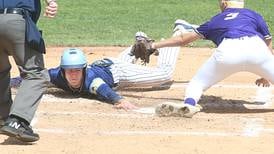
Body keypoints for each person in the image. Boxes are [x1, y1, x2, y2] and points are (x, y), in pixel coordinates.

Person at [10, 26, 196, 111]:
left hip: (118, 73)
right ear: (63, 70)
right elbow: (33, 77)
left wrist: (119, 100)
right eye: (69, 70)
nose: (73, 74)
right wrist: (9, 82)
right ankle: (136, 47)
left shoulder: (91, 79)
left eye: (77, 70)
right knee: (118, 63)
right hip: (106, 64)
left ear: (83, 69)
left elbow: (104, 90)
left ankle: (179, 31)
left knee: (164, 76)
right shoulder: (56, 74)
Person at [153, 0, 273, 118]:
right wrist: (266, 74)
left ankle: (189, 104)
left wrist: (153, 45)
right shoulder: (253, 15)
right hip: (257, 50)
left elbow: (183, 39)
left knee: (197, 84)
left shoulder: (216, 19)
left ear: (224, 3)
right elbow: (268, 41)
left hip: (228, 52)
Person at [0, 0, 58, 142]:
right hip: (16, 21)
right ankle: (17, 121)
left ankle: (2, 117)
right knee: (37, 74)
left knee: (1, 71)